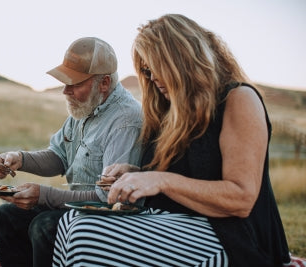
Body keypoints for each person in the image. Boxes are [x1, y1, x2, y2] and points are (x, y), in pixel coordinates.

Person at [52, 14, 290, 267]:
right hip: (177, 223)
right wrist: (137, 173)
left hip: (232, 238)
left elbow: (241, 199)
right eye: (146, 70)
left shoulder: (238, 98)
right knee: (72, 221)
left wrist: (160, 180)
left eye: (156, 66)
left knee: (85, 234)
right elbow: (185, 175)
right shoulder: (170, 108)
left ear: (181, 59)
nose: (152, 77)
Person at [0, 37, 142, 267]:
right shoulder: (85, 107)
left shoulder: (125, 120)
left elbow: (108, 200)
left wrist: (44, 196)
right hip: (74, 209)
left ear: (104, 83)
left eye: (74, 83)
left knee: (45, 226)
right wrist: (19, 159)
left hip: (106, 218)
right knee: (5, 217)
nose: (65, 91)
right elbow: (58, 157)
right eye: (65, 82)